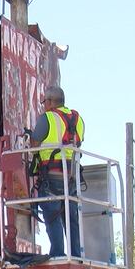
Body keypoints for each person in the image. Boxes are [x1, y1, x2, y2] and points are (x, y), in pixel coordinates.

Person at [30, 86, 85, 257]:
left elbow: (34, 145)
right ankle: (76, 254)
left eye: (44, 102)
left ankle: (57, 254)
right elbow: (78, 142)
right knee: (71, 218)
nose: (43, 105)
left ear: (50, 101)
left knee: (52, 215)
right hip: (71, 177)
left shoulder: (47, 118)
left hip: (51, 176)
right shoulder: (78, 119)